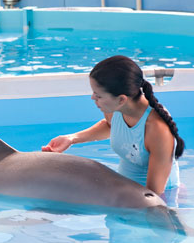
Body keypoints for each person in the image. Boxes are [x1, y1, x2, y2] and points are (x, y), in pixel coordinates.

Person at [42, 55, 184, 196]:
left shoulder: (157, 129)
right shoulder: (116, 108)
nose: (93, 98)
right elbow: (111, 126)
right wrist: (72, 138)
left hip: (160, 197)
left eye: (98, 96)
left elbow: (154, 195)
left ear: (121, 99)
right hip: (125, 190)